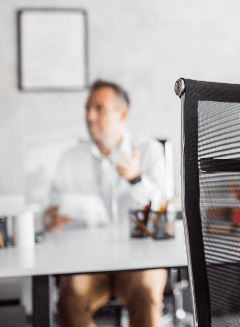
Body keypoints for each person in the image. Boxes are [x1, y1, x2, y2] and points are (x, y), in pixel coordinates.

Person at [44, 79, 169, 327]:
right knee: (69, 298)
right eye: (87, 108)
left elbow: (161, 214)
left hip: (140, 260)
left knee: (147, 293)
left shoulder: (148, 151)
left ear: (122, 113)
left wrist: (135, 179)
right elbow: (51, 211)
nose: (89, 116)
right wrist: (50, 218)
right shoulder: (70, 158)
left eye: (98, 108)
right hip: (86, 261)